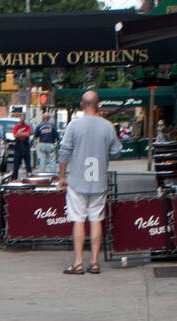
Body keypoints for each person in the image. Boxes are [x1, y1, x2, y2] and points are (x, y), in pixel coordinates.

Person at [58, 89, 121, 275]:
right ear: (98, 104)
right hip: (99, 180)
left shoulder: (73, 126)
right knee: (96, 219)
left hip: (77, 180)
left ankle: (78, 262)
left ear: (81, 104)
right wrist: (104, 153)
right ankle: (94, 261)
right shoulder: (108, 126)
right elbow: (117, 151)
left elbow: (64, 152)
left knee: (78, 219)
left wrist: (62, 176)